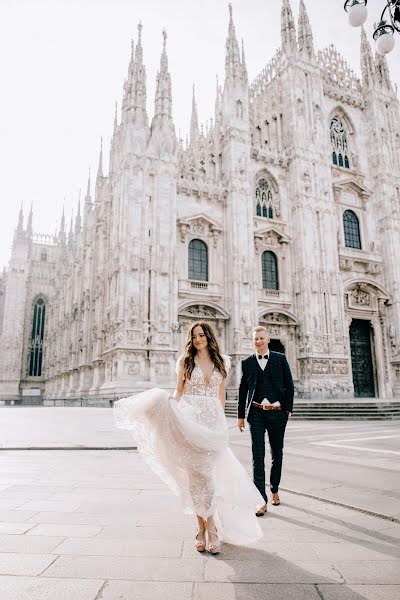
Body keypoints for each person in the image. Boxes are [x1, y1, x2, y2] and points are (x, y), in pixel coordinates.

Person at [114, 320, 264, 555]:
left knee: (208, 477)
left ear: (209, 337)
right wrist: (171, 405)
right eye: (194, 336)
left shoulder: (222, 361)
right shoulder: (184, 362)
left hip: (212, 422)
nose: (198, 339)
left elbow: (221, 393)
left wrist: (222, 421)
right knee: (198, 477)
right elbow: (179, 390)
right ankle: (206, 527)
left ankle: (207, 528)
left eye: (201, 335)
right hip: (190, 420)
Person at [237, 326, 294, 515]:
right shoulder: (247, 362)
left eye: (261, 338)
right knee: (257, 456)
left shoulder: (280, 358)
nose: (259, 341)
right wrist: (240, 416)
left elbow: (289, 385)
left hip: (278, 412)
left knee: (277, 454)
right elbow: (242, 390)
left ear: (268, 339)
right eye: (256, 339)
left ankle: (275, 489)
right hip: (256, 413)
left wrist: (288, 410)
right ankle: (260, 499)